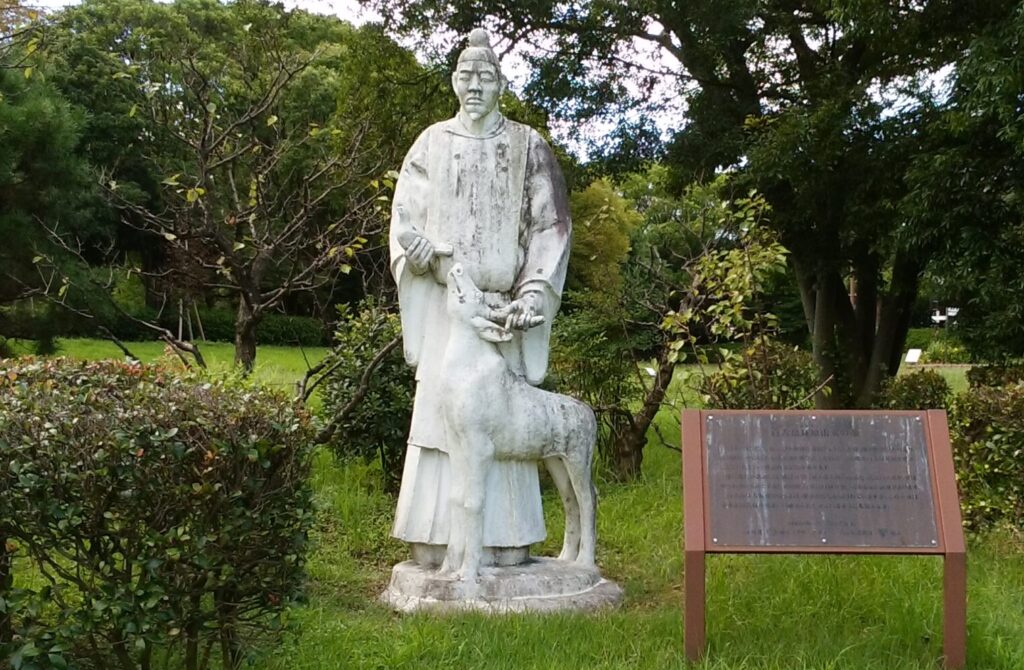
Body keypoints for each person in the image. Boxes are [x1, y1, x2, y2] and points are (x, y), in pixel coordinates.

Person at [388, 28, 572, 568]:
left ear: (500, 84)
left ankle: (506, 537)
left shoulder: (527, 145)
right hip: (452, 310)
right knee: (441, 425)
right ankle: (438, 539)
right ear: (453, 82)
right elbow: (405, 217)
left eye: (485, 77)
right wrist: (417, 252)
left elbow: (551, 226)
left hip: (503, 314)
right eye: (465, 76)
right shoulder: (430, 143)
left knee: (504, 424)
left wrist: (534, 289)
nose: (474, 86)